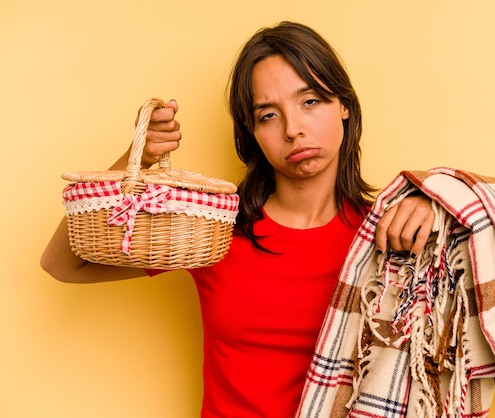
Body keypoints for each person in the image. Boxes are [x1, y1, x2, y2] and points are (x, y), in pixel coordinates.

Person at [41, 21, 435, 417]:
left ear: (344, 105)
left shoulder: (389, 233)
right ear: (252, 132)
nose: (293, 129)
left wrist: (438, 197)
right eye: (268, 115)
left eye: (310, 101)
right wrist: (135, 162)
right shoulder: (213, 229)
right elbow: (63, 263)